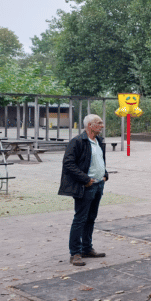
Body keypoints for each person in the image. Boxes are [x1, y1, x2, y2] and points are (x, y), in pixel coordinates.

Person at [59, 114, 108, 266]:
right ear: (90, 125)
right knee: (80, 219)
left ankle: (87, 248)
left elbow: (99, 160)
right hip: (87, 186)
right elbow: (68, 163)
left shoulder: (99, 141)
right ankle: (75, 253)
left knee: (91, 218)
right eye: (99, 123)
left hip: (99, 184)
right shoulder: (78, 141)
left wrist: (105, 174)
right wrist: (85, 180)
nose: (102, 125)